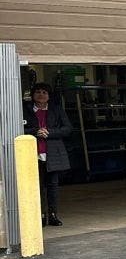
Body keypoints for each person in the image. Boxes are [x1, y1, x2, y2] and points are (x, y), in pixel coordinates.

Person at [24, 82, 73, 227]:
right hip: (33, 153)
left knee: (52, 185)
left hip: (52, 152)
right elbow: (17, 129)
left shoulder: (56, 110)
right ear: (33, 95)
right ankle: (40, 215)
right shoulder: (25, 110)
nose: (41, 95)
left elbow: (68, 129)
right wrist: (34, 131)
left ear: (49, 96)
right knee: (36, 186)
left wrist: (50, 132)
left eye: (44, 92)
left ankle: (52, 214)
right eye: (38, 92)